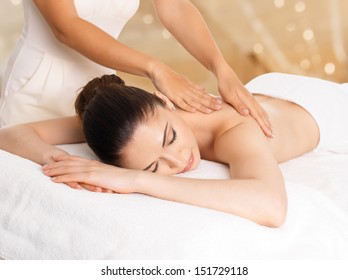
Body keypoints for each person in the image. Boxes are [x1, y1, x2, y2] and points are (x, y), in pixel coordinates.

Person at [1, 72, 348, 227]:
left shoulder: (236, 131)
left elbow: (271, 206)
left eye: (171, 138)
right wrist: (60, 160)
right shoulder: (132, 126)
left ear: (165, 101)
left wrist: (140, 180)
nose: (179, 159)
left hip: (327, 108)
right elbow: (12, 134)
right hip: (270, 91)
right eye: (154, 167)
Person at [0, 0, 272, 137]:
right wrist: (154, 68)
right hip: (37, 93)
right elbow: (65, 27)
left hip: (101, 96)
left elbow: (174, 7)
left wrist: (221, 69)